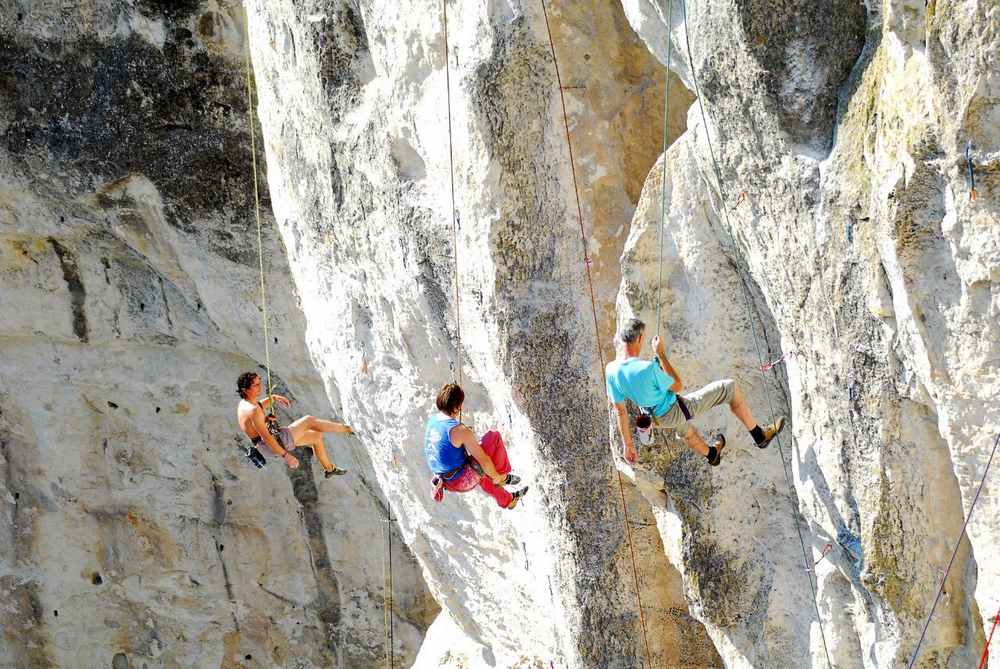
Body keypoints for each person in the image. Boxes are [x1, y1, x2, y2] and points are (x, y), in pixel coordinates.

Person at [606, 318, 785, 466]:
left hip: (652, 417)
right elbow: (677, 386)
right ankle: (760, 436)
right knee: (729, 388)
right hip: (673, 410)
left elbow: (620, 410)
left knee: (686, 431)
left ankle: (712, 455)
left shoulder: (611, 370)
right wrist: (661, 355)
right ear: (639, 338)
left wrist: (628, 445)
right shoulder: (646, 369)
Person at [424, 383, 528, 509]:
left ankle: (507, 500)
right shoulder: (459, 430)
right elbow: (483, 460)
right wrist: (496, 476)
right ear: (457, 407)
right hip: (462, 480)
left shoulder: (433, 420)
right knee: (492, 439)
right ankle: (502, 477)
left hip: (445, 481)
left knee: (480, 472)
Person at [236, 372, 352, 477]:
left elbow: (253, 422)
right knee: (309, 421)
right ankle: (349, 429)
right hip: (272, 443)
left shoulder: (244, 404)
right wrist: (286, 456)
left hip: (263, 445)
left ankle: (329, 469)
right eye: (256, 385)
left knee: (316, 437)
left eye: (259, 383)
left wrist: (273, 399)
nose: (260, 387)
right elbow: (266, 437)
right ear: (245, 390)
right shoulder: (253, 410)